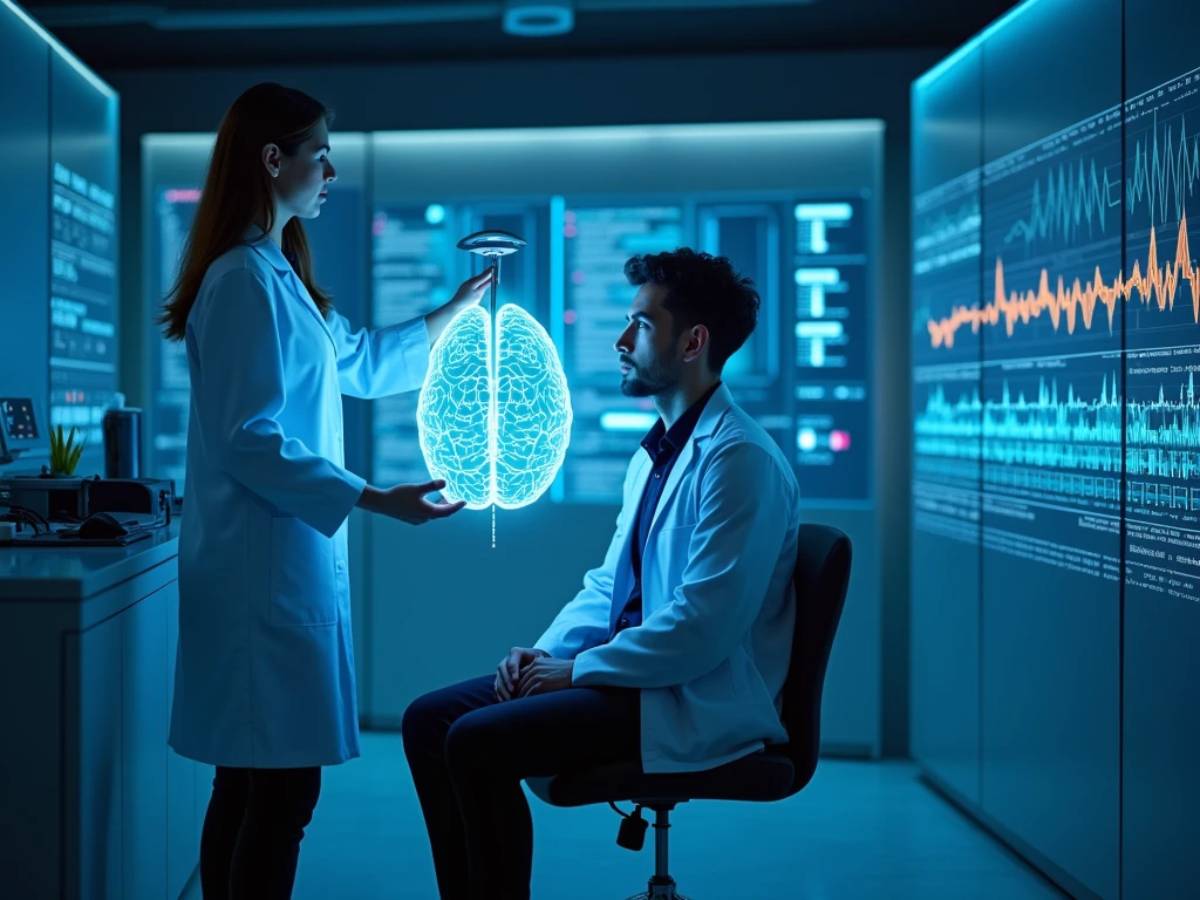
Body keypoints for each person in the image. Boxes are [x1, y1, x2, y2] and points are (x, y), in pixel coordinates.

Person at [158, 82, 492, 900]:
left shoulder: (276, 276)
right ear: (274, 161)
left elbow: (365, 363)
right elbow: (251, 438)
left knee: (254, 786)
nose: (331, 169)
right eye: (320, 153)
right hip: (256, 579)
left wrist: (452, 313)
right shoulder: (241, 280)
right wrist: (376, 498)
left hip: (274, 570)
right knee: (274, 791)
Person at [402, 248, 802, 899]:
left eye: (641, 325)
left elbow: (703, 630)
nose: (620, 341)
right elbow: (607, 587)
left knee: (474, 743)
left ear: (694, 341)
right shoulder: (659, 453)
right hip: (632, 680)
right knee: (427, 721)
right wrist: (544, 655)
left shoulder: (740, 461)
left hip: (685, 698)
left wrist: (575, 671)